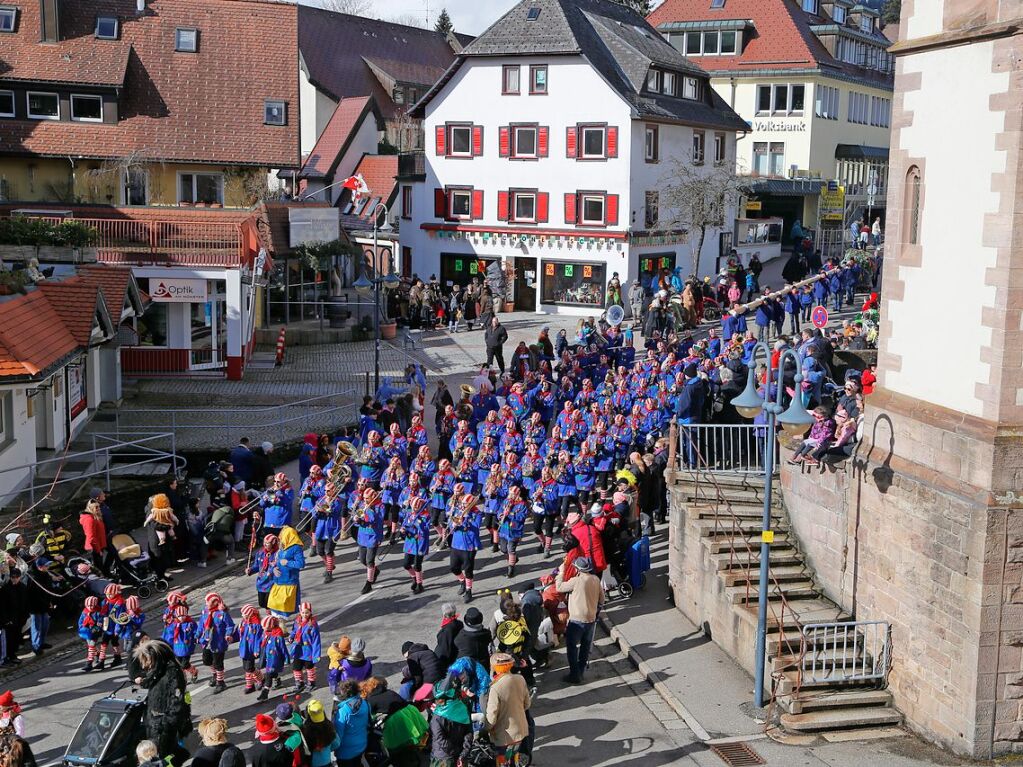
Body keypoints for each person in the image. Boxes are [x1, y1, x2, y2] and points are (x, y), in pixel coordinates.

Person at [129, 640, 191, 767]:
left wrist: (165, 724)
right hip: (154, 721)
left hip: (163, 724)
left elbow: (177, 702)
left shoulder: (172, 672)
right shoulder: (159, 668)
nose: (146, 665)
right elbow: (149, 680)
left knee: (162, 756)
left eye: (147, 660)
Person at [556, 556, 604, 684]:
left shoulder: (576, 581)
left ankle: (574, 674)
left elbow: (559, 587)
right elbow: (602, 600)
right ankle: (581, 671)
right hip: (591, 619)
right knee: (585, 646)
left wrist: (561, 572)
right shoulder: (595, 579)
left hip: (577, 620)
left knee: (572, 647)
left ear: (578, 569)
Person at [485, 653, 531, 767]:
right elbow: (527, 704)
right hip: (520, 730)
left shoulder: (495, 687)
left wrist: (485, 729)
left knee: (502, 761)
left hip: (504, 735)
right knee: (514, 758)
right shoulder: (520, 679)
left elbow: (491, 716)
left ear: (495, 668)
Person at [333, 680, 370, 767]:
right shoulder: (364, 703)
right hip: (362, 745)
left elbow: (339, 736)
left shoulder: (342, 711)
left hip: (345, 752)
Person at [79, 499, 109, 575]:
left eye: (98, 506)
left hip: (97, 546)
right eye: (96, 507)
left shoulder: (94, 517)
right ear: (90, 508)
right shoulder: (89, 519)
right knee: (97, 568)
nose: (99, 508)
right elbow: (91, 537)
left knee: (99, 566)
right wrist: (98, 550)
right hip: (94, 548)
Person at [434, 602, 463, 670]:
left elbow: (445, 650)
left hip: (450, 661)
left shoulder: (447, 631)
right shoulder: (459, 623)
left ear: (444, 615)